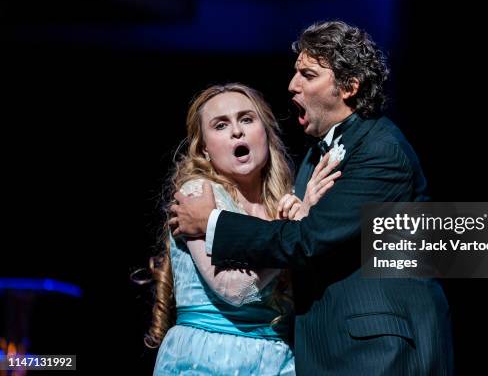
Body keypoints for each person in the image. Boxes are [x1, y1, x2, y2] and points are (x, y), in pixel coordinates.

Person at [170, 21, 454, 375]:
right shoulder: (315, 154)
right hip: (317, 350)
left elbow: (307, 240)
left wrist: (212, 223)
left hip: (376, 350)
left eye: (308, 74)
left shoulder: (379, 151)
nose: (292, 85)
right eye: (295, 73)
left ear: (348, 87)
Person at [148, 83, 339, 375]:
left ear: (265, 133)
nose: (237, 131)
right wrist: (295, 229)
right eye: (221, 125)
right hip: (210, 357)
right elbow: (234, 290)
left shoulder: (284, 203)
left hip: (277, 360)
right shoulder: (199, 195)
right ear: (205, 149)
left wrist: (307, 216)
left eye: (247, 119)